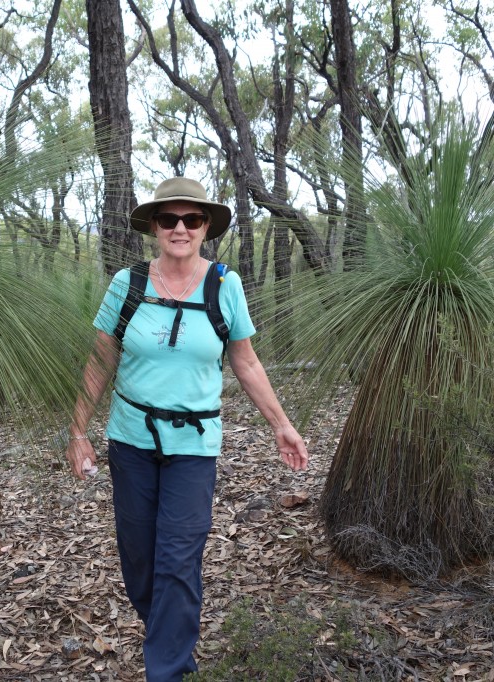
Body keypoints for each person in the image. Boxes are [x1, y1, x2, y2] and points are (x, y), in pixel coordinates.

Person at [65, 177, 310, 682]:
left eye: (191, 219)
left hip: (194, 447)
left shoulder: (226, 284)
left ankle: (169, 670)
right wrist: (77, 430)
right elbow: (101, 358)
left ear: (205, 228)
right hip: (131, 441)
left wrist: (282, 426)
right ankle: (169, 635)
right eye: (168, 219)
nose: (180, 228)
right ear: (154, 227)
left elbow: (245, 362)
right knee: (139, 561)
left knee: (178, 559)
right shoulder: (127, 284)